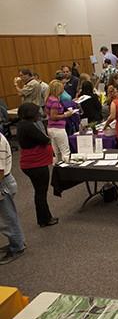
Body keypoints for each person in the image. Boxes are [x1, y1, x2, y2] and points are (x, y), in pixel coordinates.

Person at [17, 103, 58, 228]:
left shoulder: (21, 125)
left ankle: (43, 218)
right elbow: (45, 139)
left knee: (39, 192)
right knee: (41, 193)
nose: (39, 114)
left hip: (30, 163)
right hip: (36, 164)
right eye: (36, 112)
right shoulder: (29, 126)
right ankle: (45, 219)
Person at [0, 132, 26, 265]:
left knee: (7, 219)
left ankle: (17, 247)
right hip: (4, 182)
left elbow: (0, 171)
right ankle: (16, 241)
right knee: (7, 217)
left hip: (2, 183)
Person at [45, 80, 73, 163]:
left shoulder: (48, 99)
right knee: (65, 151)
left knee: (57, 152)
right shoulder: (55, 101)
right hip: (58, 128)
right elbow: (54, 116)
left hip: (50, 128)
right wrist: (66, 115)